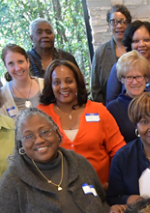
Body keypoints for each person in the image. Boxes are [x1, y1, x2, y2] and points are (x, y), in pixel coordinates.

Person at [38, 60, 126, 188]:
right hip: (60, 195)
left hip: (102, 190)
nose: (63, 86)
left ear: (77, 83)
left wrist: (113, 183)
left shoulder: (98, 110)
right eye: (57, 82)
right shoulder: (41, 115)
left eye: (69, 81)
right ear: (50, 86)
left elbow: (119, 151)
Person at [105, 21, 150, 102]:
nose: (141, 44)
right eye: (136, 41)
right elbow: (111, 103)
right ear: (130, 44)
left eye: (146, 40)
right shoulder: (118, 68)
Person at [105, 51, 149, 145]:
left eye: (138, 76)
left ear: (146, 78)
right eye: (129, 77)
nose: (135, 82)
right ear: (121, 79)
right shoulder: (112, 109)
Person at [90, 5, 132, 103]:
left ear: (128, 24)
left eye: (123, 21)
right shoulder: (100, 53)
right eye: (114, 22)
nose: (119, 26)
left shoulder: (136, 50)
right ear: (109, 25)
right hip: (108, 109)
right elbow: (96, 90)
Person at [0, 44, 44, 120]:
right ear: (6, 67)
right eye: (11, 64)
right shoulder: (1, 96)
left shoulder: (45, 85)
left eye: (20, 61)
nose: (17, 68)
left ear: (28, 62)